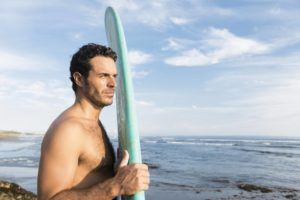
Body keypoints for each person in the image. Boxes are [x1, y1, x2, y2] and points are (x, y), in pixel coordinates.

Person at [37, 43, 150, 200]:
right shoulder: (68, 130)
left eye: (114, 76)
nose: (112, 83)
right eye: (103, 76)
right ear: (79, 79)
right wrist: (115, 186)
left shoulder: (92, 122)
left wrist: (114, 172)